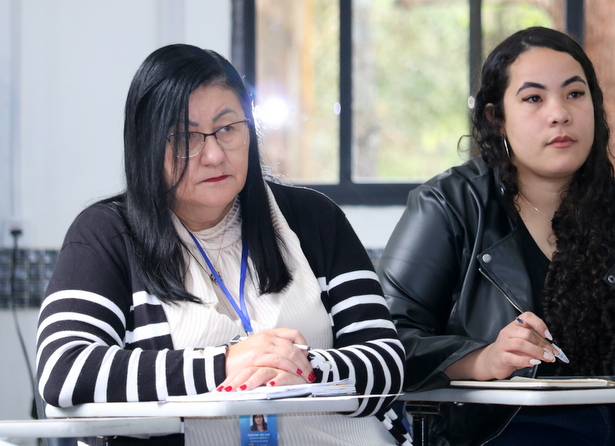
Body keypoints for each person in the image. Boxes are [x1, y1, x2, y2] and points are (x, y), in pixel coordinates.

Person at [36, 44, 410, 446]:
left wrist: (302, 366)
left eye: (228, 128)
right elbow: (63, 370)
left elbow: (387, 361)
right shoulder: (107, 233)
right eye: (185, 137)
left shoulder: (313, 218)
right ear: (147, 144)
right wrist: (225, 364)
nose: (213, 154)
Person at [378, 27, 615, 446]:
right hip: (492, 434)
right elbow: (385, 343)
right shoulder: (448, 206)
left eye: (575, 94)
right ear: (496, 118)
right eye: (533, 98)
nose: (559, 113)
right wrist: (483, 359)